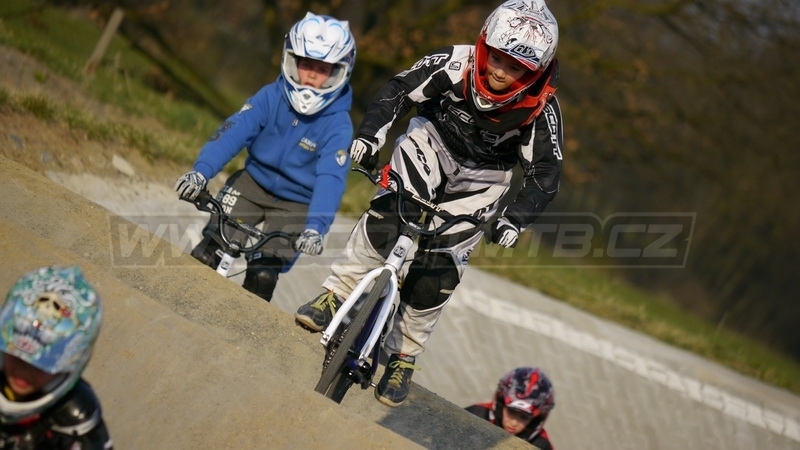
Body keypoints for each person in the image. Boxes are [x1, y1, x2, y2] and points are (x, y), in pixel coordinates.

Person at [295, 0, 563, 407]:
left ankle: (403, 355)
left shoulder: (542, 109)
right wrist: (370, 136)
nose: (500, 72)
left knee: (439, 271)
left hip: (485, 177)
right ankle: (335, 293)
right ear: (483, 44)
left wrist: (514, 218)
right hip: (432, 142)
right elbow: (397, 92)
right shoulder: (454, 62)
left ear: (536, 73)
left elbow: (545, 173)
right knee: (389, 213)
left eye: (517, 68)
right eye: (497, 58)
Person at [174, 12, 357, 302]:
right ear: (290, 60)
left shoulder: (338, 125)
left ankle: (240, 327)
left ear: (339, 73)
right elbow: (234, 131)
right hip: (251, 183)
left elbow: (331, 179)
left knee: (263, 275)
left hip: (297, 204)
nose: (311, 74)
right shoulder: (271, 96)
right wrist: (201, 172)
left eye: (322, 69)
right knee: (210, 249)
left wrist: (315, 228)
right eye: (306, 64)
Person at [0, 266, 112, 449]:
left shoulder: (75, 419)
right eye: (15, 352)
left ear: (69, 364)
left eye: (43, 363)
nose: (24, 370)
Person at [466, 367, 555, 449]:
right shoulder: (474, 415)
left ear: (536, 419)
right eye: (511, 411)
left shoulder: (541, 445)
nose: (514, 423)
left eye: (524, 417)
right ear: (501, 404)